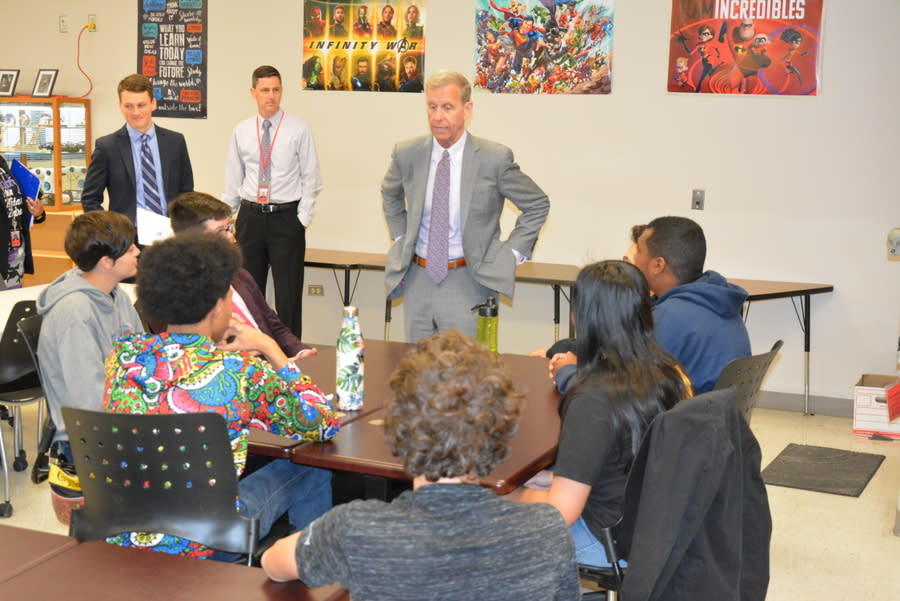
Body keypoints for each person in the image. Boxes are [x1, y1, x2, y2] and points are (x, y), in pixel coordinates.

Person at [261, 330, 580, 600]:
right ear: (500, 431)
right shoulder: (547, 530)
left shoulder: (356, 529)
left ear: (398, 428)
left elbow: (274, 564)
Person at [102, 234, 340, 559]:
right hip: (205, 539)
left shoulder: (122, 357)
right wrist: (269, 347)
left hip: (123, 529)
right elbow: (322, 423)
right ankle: (309, 572)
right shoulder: (240, 371)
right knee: (311, 469)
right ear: (217, 307)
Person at [518, 260, 692, 567]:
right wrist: (553, 478)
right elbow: (625, 460)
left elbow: (560, 514)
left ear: (583, 317)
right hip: (655, 528)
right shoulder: (669, 373)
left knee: (488, 510)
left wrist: (514, 497)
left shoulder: (592, 400)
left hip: (608, 542)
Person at [381, 70, 549, 342]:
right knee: (416, 363)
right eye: (432, 107)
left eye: (447, 107)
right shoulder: (407, 153)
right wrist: (401, 237)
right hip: (417, 279)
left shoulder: (494, 158)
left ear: (467, 109)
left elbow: (537, 203)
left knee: (466, 365)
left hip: (469, 280)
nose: (438, 116)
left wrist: (511, 254)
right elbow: (389, 193)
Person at [224, 65, 322, 339]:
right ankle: (251, 352)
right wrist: (226, 220)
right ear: (253, 92)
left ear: (282, 91)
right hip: (250, 218)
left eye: (276, 90)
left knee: (288, 294)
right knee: (247, 293)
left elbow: (312, 178)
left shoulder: (298, 129)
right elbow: (233, 178)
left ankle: (292, 353)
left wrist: (301, 219)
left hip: (286, 218)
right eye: (265, 90)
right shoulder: (241, 130)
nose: (271, 96)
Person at [37, 212, 142, 453]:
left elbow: (142, 356)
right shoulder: (74, 313)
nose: (137, 251)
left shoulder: (117, 295)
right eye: (129, 249)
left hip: (122, 416)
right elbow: (89, 398)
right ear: (106, 262)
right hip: (90, 438)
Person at [167, 191, 315, 361]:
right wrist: (274, 358)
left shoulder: (240, 276)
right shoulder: (185, 294)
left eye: (229, 228)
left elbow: (274, 325)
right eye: (221, 231)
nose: (232, 238)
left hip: (273, 361)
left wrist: (301, 352)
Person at [629, 216, 751, 393]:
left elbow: (634, 387)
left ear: (658, 265)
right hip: (717, 408)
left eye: (639, 251)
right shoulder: (720, 300)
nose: (633, 259)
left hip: (685, 409)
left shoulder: (669, 316)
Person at [81, 74, 194, 245]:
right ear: (120, 106)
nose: (136, 112)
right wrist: (109, 232)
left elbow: (187, 192)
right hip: (127, 239)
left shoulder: (175, 142)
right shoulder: (107, 147)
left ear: (153, 104)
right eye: (129, 106)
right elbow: (90, 199)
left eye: (141, 105)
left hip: (171, 235)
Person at [0, 155, 45, 289]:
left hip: (14, 253)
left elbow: (15, 204)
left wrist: (37, 213)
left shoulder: (2, 163)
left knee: (12, 298)